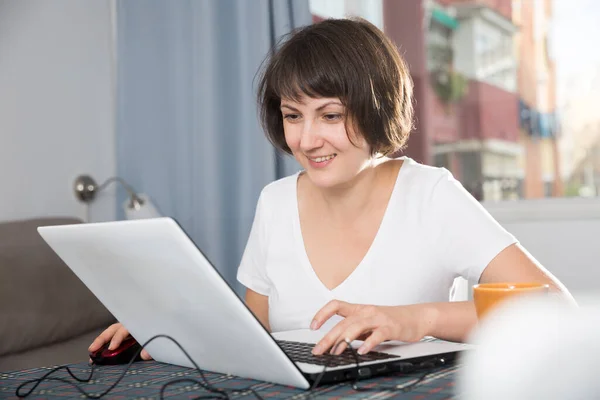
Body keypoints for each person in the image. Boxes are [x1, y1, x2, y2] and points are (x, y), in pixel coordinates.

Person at [89, 17, 574, 361]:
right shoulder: (275, 202)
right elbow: (252, 334)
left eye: (331, 115)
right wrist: (173, 331)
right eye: (292, 116)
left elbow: (551, 307)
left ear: (377, 109)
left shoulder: (429, 194)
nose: (306, 140)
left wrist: (416, 319)